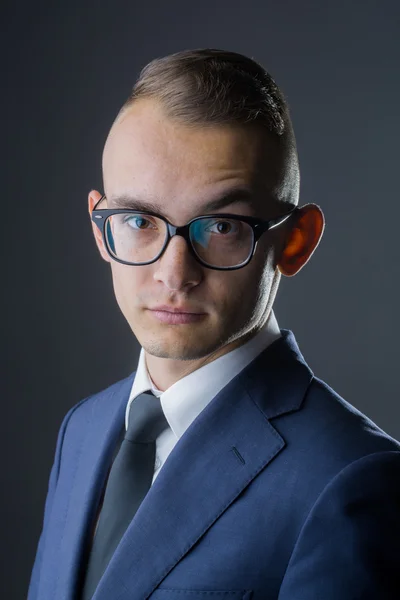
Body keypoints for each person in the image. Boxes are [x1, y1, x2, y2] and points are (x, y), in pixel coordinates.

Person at [28, 48, 400, 600]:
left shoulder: (354, 480)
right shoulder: (81, 431)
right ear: (100, 229)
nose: (173, 274)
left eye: (222, 225)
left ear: (295, 243)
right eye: (138, 221)